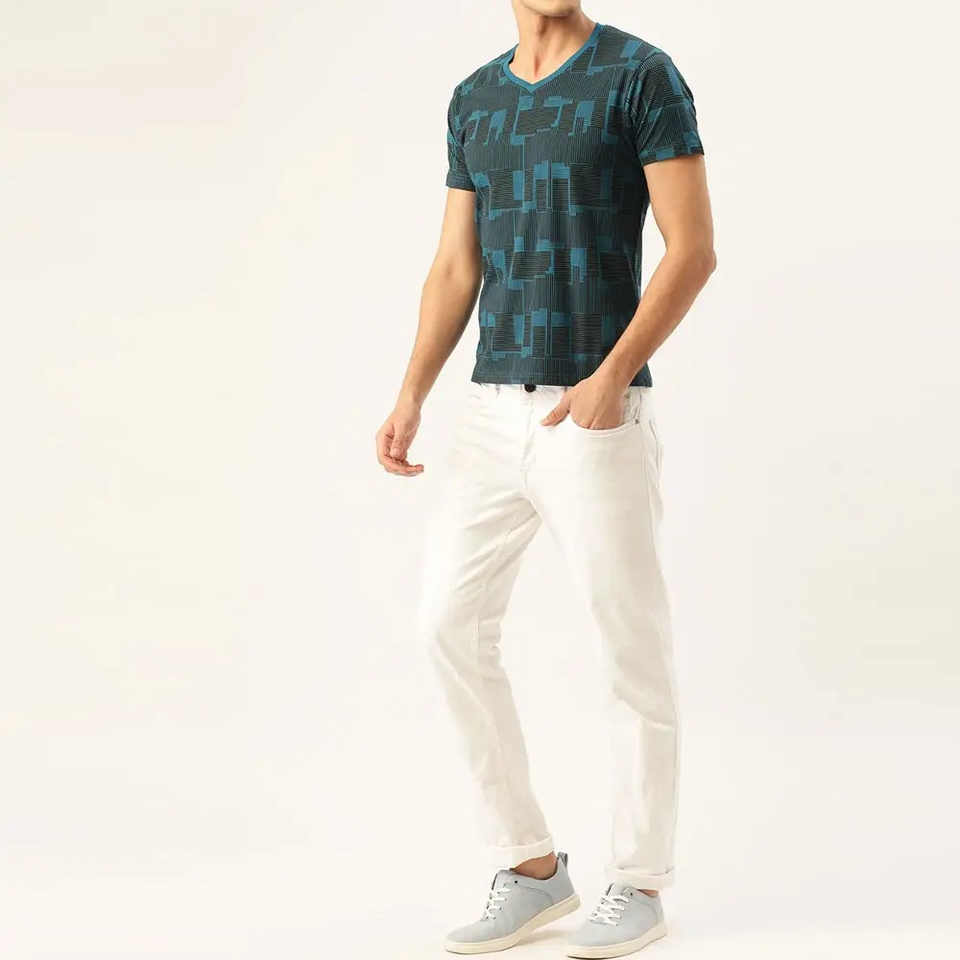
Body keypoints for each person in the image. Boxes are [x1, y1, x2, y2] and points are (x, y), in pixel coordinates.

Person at [375, 2, 715, 956]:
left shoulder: (640, 74)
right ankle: (530, 868)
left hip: (597, 410)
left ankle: (639, 880)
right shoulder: (474, 97)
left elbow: (693, 248)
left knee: (627, 645)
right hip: (491, 413)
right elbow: (457, 264)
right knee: (446, 624)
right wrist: (411, 392)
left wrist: (613, 374)